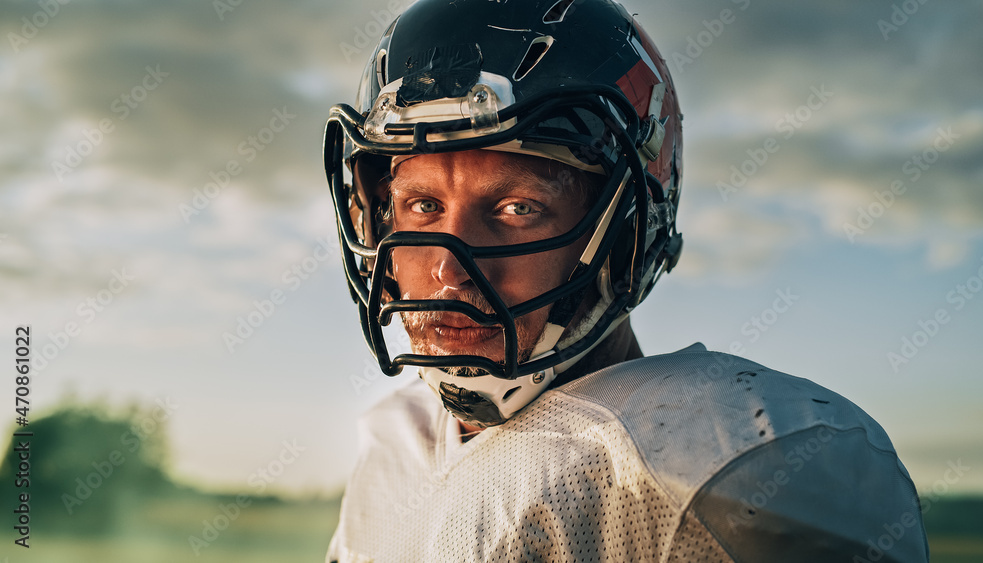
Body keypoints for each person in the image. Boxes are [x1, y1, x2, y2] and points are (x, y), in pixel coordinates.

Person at [321, 1, 929, 561]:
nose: (448, 272)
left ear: (625, 234)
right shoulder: (391, 445)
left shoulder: (738, 461)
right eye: (422, 205)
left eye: (516, 209)